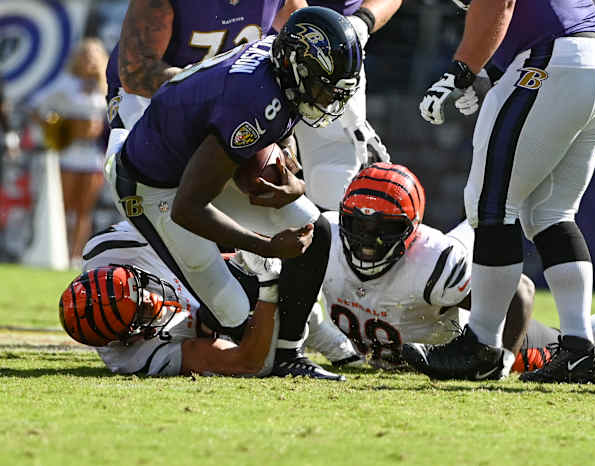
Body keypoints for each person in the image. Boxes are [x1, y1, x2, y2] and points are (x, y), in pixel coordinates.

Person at [103, 7, 363, 380]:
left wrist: (292, 172)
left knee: (314, 231)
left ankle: (290, 354)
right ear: (298, 68)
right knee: (243, 323)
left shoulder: (279, 71)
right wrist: (264, 248)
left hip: (201, 161)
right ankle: (193, 325)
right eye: (324, 86)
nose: (327, 99)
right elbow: (187, 207)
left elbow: (279, 121)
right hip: (151, 188)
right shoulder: (252, 99)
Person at [305, 163, 595, 381]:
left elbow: (521, 292)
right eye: (358, 226)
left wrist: (501, 360)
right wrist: (335, 349)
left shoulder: (431, 265)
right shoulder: (324, 238)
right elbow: (299, 306)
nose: (368, 242)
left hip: (461, 331)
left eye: (383, 230)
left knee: (566, 346)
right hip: (414, 326)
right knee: (473, 227)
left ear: (408, 231)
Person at [416, 0, 595, 383]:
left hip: (555, 55)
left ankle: (481, 345)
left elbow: (500, 2)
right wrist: (487, 71)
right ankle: (579, 350)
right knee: (549, 214)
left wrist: (461, 71)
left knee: (491, 204)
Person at [59, 221, 283, 377]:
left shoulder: (109, 248)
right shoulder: (132, 357)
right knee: (219, 316)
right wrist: (269, 283)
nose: (149, 299)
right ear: (125, 338)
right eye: (140, 311)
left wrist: (244, 246)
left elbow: (181, 220)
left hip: (206, 253)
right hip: (246, 319)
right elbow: (249, 363)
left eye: (140, 287)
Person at [106, 0, 306, 131]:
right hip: (151, 99)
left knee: (267, 178)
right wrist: (216, 89)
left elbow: (308, 33)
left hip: (226, 99)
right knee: (161, 180)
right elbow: (136, 73)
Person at [291, 0, 399, 210]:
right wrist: (319, 37)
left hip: (339, 62)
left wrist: (362, 21)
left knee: (335, 183)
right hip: (266, 51)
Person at [29, 38, 110, 268]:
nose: (88, 59)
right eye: (84, 55)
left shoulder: (104, 85)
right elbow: (37, 105)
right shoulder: (65, 83)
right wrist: (54, 129)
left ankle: (76, 257)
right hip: (68, 153)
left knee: (85, 208)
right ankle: (59, 253)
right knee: (63, 206)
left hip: (93, 154)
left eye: (93, 55)